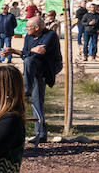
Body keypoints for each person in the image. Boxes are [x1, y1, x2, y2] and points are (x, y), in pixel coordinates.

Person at [4, 15, 60, 145]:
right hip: (33, 70)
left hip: (47, 68)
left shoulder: (50, 36)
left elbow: (38, 53)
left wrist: (19, 52)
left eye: (28, 27)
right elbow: (27, 54)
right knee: (37, 99)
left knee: (30, 63)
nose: (26, 29)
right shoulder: (29, 37)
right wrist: (27, 51)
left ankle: (25, 90)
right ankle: (40, 134)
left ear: (37, 27)